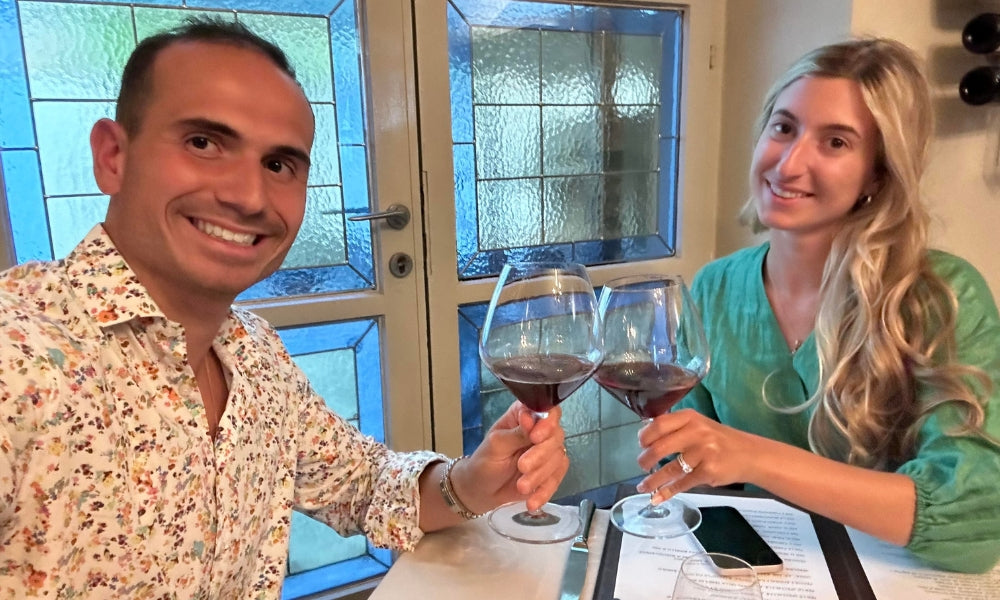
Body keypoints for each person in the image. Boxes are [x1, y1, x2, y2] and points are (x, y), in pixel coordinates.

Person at [0, 18, 569, 598]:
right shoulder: (18, 360)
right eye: (203, 143)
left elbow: (364, 486)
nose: (247, 196)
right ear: (112, 156)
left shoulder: (252, 352)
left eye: (278, 165)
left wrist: (471, 482)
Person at [639, 38, 1000, 573]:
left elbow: (977, 522)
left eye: (835, 142)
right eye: (783, 127)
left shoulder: (941, 297)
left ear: (878, 173)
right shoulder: (714, 288)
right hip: (758, 576)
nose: (789, 163)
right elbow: (687, 458)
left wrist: (752, 455)